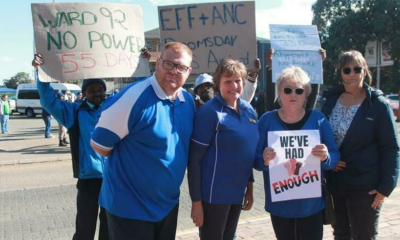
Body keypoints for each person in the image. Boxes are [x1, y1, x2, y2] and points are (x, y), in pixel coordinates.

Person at [90, 42, 195, 240]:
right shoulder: (132, 97)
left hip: (167, 205)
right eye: (168, 64)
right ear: (157, 64)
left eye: (180, 67)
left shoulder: (187, 101)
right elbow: (99, 145)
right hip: (129, 208)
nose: (173, 71)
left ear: (188, 72)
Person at [321, 50, 400, 240]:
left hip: (365, 186)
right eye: (346, 70)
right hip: (337, 183)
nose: (352, 74)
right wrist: (330, 161)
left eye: (357, 69)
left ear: (365, 71)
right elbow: (320, 136)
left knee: (363, 235)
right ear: (340, 73)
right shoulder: (331, 101)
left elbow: (390, 148)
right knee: (341, 234)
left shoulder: (378, 104)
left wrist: (385, 187)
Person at [254, 66, 340, 240]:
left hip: (311, 206)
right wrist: (263, 160)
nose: (293, 94)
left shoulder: (318, 119)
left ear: (306, 95)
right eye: (288, 89)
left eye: (299, 90)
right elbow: (254, 160)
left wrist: (326, 157)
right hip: (280, 206)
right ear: (279, 92)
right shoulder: (267, 120)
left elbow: (334, 155)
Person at [32, 53, 110, 240]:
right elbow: (48, 101)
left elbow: (136, 94)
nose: (98, 93)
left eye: (101, 89)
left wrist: (141, 66)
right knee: (85, 226)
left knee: (110, 228)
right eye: (92, 89)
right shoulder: (73, 112)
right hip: (88, 180)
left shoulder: (113, 108)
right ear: (84, 93)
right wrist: (41, 73)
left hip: (113, 178)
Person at [187, 58, 259, 240]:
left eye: (238, 80)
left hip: (237, 192)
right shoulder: (209, 112)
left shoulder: (249, 110)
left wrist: (249, 187)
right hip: (214, 196)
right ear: (218, 84)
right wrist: (196, 203)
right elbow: (194, 160)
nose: (234, 86)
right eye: (228, 81)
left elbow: (245, 152)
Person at [193, 59, 261, 109]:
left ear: (215, 87)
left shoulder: (233, 103)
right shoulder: (193, 109)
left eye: (208, 85)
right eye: (201, 87)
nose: (205, 89)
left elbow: (246, 95)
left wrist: (252, 75)